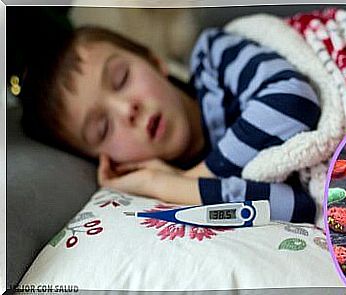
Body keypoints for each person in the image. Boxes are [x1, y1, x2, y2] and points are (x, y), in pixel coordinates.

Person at [19, 26, 321, 223]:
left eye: (121, 78)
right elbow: (298, 209)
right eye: (103, 128)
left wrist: (194, 176)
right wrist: (161, 184)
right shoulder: (175, 195)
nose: (127, 110)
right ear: (107, 161)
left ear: (154, 61)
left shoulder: (214, 58)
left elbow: (293, 102)